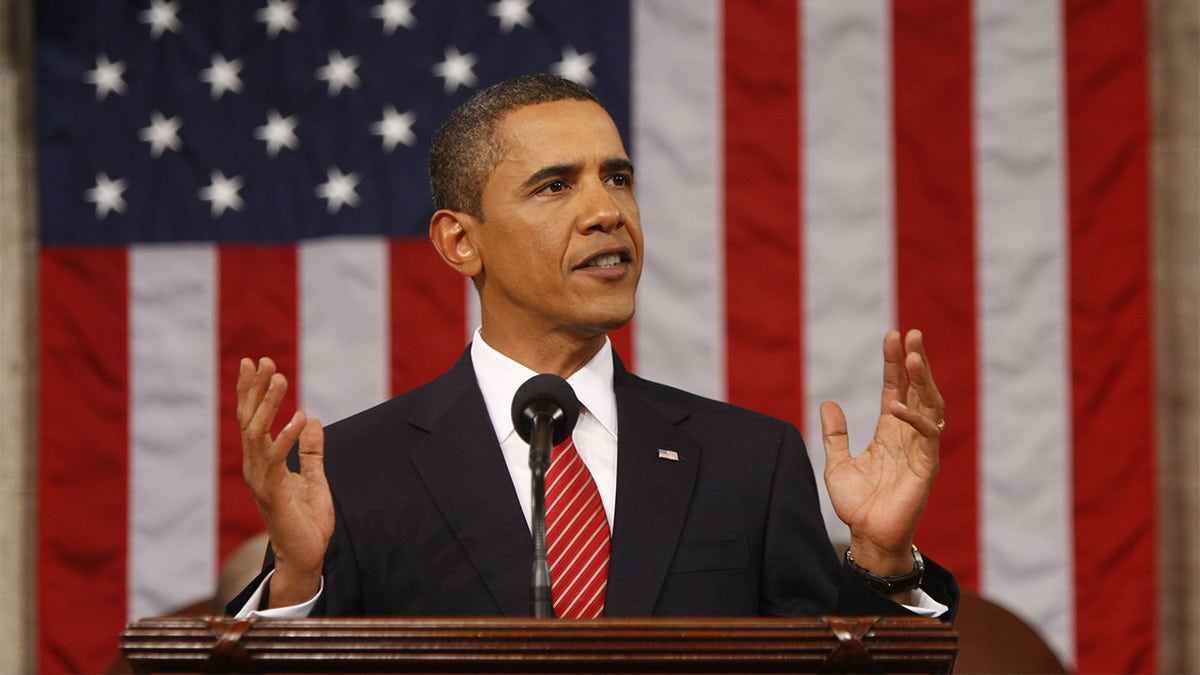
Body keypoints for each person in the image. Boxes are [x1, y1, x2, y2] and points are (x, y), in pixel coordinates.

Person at [229, 74, 956, 619]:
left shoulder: (749, 463)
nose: (606, 210)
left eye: (618, 177)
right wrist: (296, 581)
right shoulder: (357, 473)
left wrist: (882, 558)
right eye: (554, 186)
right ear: (460, 241)